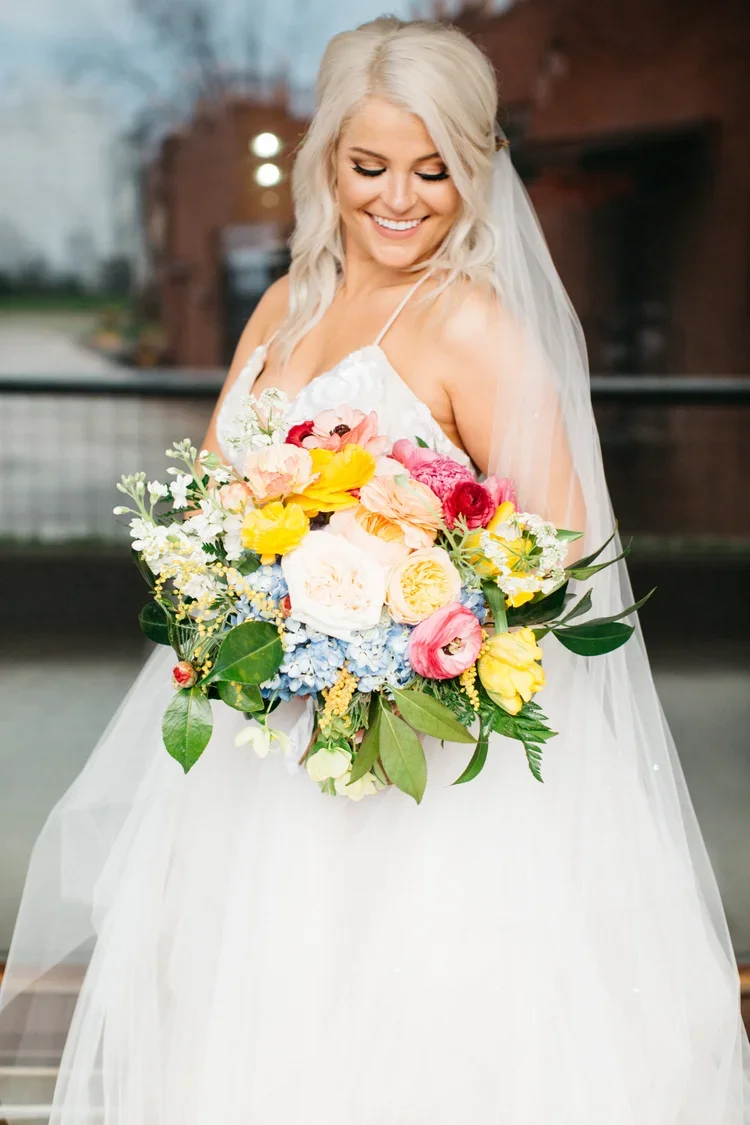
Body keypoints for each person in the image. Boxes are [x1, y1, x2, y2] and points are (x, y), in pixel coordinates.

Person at [1, 16, 748, 1125]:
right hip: (267, 770)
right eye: (371, 166)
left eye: (435, 168)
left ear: (474, 173)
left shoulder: (471, 326)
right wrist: (247, 604)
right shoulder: (282, 308)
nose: (401, 198)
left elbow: (565, 563)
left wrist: (415, 640)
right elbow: (210, 519)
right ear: (326, 166)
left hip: (423, 784)